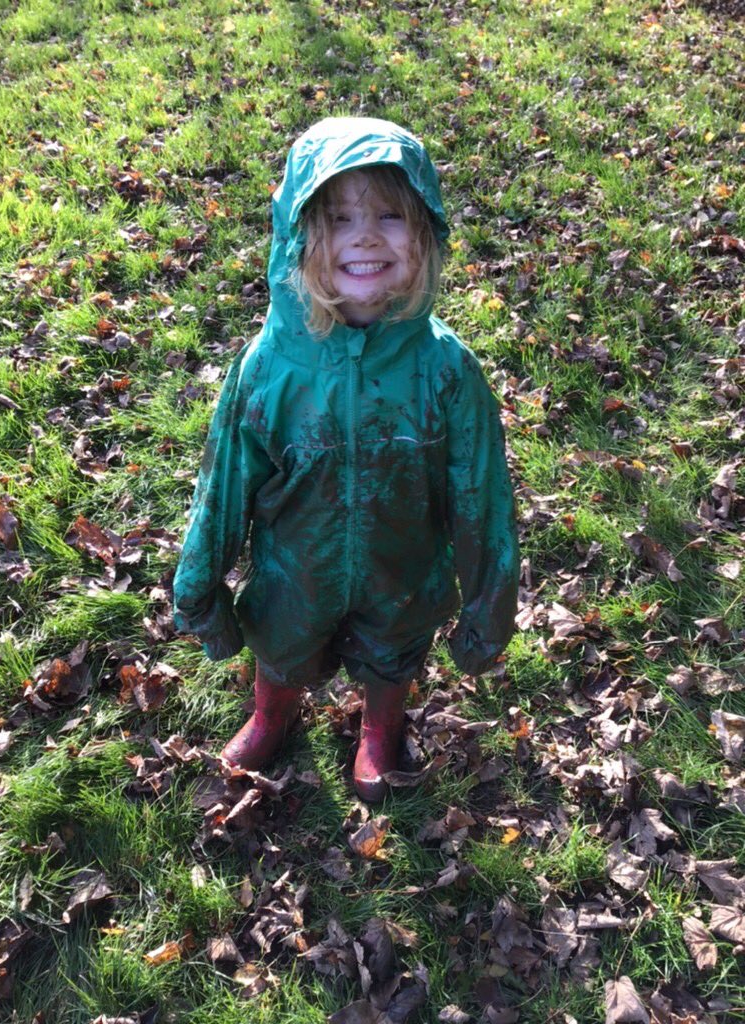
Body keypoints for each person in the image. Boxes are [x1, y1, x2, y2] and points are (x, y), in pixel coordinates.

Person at [173, 117, 519, 802]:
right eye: (338, 219)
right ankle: (272, 712)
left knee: (394, 650)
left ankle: (379, 729)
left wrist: (487, 612)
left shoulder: (445, 371)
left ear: (425, 235)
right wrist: (201, 585)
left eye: (391, 216)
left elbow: (483, 498)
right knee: (283, 642)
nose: (364, 237)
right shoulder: (271, 365)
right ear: (300, 238)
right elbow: (225, 481)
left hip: (404, 565)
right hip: (293, 564)